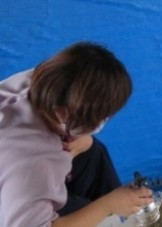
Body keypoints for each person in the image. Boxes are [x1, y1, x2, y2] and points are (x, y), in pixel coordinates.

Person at [0, 42, 153, 227]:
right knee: (86, 210)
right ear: (63, 114)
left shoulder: (41, 78)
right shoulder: (36, 165)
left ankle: (122, 213)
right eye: (101, 118)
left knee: (92, 151)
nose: (102, 123)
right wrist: (107, 205)